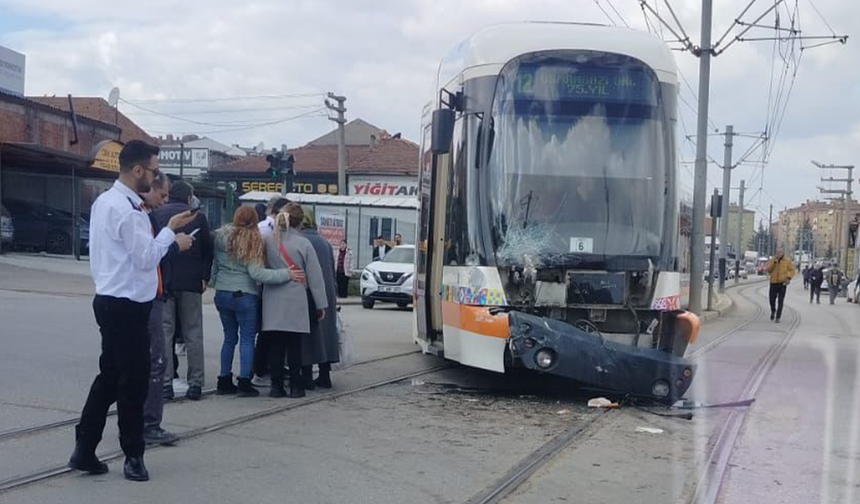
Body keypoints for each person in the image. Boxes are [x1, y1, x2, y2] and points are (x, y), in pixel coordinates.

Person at [69, 140, 195, 482]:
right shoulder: (128, 210)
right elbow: (144, 259)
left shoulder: (106, 202)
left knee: (109, 376)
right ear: (137, 170)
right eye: (153, 171)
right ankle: (133, 456)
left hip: (109, 299)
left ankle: (85, 447)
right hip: (127, 305)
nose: (155, 179)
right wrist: (170, 234)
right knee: (132, 383)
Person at [210, 206, 300, 397]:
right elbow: (256, 273)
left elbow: (215, 269)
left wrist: (218, 283)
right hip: (244, 294)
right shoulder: (252, 240)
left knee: (229, 338)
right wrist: (287, 274)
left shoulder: (220, 237)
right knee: (247, 339)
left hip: (222, 293)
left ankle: (224, 380)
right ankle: (244, 382)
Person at [153, 180, 214, 401]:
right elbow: (208, 250)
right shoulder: (198, 216)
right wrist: (204, 277)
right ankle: (195, 384)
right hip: (191, 283)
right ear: (189, 198)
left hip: (166, 282)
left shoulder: (159, 215)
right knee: (193, 333)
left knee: (165, 334)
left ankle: (166, 384)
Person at [262, 203, 327, 398]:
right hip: (296, 298)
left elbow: (260, 267)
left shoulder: (267, 240)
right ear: (300, 223)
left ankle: (276, 386)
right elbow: (315, 277)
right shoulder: (304, 243)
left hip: (272, 297)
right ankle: (296, 387)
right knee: (294, 345)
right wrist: (320, 304)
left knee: (275, 345)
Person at [139, 173, 179, 447]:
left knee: (135, 363)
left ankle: (135, 421)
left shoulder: (144, 213)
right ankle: (148, 424)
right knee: (155, 361)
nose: (164, 201)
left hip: (153, 295)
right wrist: (174, 239)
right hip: (145, 298)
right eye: (162, 195)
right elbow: (147, 256)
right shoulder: (138, 215)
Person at [252, 196, 291, 386]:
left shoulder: (275, 230)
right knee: (265, 330)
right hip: (262, 285)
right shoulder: (264, 230)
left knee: (269, 330)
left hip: (269, 285)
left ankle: (266, 366)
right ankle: (260, 368)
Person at [300, 210, 340, 389]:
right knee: (326, 335)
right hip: (328, 291)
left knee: (308, 336)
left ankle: (306, 377)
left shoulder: (301, 241)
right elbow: (331, 268)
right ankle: (325, 375)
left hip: (310, 292)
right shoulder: (324, 242)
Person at [766, 248, 795, 323]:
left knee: (780, 301)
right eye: (777, 252)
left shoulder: (787, 261)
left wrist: (788, 278)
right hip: (773, 282)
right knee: (771, 299)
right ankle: (773, 310)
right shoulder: (772, 260)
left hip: (782, 283)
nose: (779, 254)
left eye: (780, 252)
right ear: (775, 253)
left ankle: (778, 316)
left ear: (783, 253)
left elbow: (792, 270)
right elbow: (768, 270)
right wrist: (774, 263)